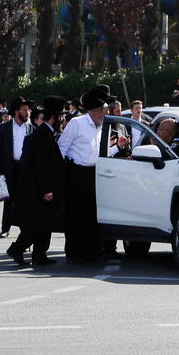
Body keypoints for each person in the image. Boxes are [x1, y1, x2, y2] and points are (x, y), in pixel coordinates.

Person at [8, 95, 67, 268]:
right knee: (37, 224)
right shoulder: (43, 135)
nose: (62, 119)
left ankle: (39, 255)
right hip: (36, 189)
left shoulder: (46, 133)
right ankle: (17, 249)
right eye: (61, 116)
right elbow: (41, 165)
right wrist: (46, 189)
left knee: (44, 223)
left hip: (39, 188)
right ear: (54, 117)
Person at [57, 85, 108, 263]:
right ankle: (74, 251)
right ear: (96, 111)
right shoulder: (77, 123)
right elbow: (62, 147)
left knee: (90, 214)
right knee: (75, 215)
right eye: (102, 111)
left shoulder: (100, 126)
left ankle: (91, 250)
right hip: (76, 172)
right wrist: (61, 173)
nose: (104, 115)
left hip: (93, 173)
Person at [0, 97, 34, 239]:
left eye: (28, 110)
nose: (28, 113)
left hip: (26, 168)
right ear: (17, 111)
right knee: (9, 199)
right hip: (10, 167)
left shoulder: (31, 127)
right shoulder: (5, 128)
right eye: (24, 110)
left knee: (25, 200)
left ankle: (24, 230)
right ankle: (5, 228)